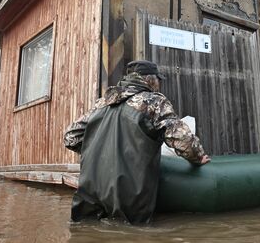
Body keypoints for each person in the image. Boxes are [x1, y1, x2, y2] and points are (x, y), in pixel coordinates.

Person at [63, 60, 211, 224]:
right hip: (129, 195)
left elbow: (70, 137)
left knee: (85, 232)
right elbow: (180, 137)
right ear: (150, 79)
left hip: (90, 193)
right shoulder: (154, 101)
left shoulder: (102, 103)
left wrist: (99, 148)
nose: (159, 84)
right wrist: (198, 157)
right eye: (158, 80)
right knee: (133, 235)